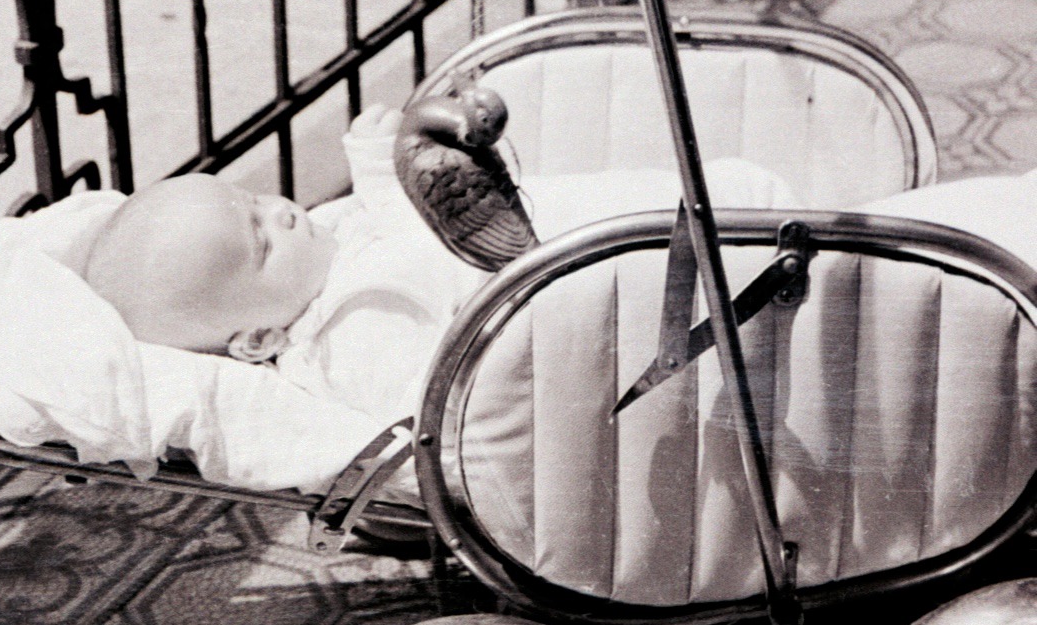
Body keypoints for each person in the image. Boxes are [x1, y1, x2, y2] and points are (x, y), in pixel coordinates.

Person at [84, 101, 799, 426]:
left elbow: (384, 226)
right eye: (262, 242)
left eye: (256, 199)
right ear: (260, 340)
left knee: (717, 200)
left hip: (629, 223)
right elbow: (437, 402)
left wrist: (374, 165)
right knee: (743, 227)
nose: (283, 212)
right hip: (652, 285)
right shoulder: (344, 337)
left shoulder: (328, 255)